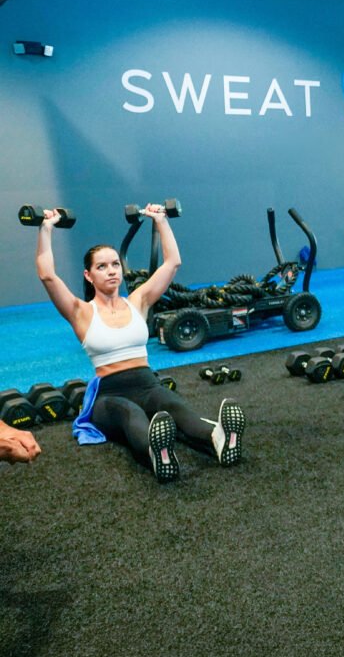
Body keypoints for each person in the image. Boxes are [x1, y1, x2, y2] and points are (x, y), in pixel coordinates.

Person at [35, 205, 246, 483]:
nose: (111, 271)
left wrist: (161, 220)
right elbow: (47, 275)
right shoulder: (80, 311)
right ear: (88, 275)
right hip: (110, 396)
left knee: (173, 404)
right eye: (101, 267)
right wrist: (46, 227)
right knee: (131, 414)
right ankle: (157, 455)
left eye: (115, 264)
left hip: (147, 384)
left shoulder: (138, 301)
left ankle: (219, 439)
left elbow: (172, 263)